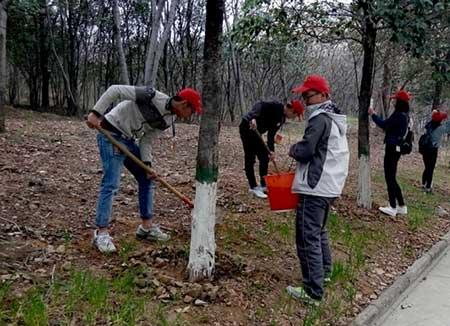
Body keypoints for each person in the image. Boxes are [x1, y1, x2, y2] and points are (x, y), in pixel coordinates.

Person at [86, 85, 202, 253]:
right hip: (110, 133)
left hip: (128, 140)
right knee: (111, 183)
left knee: (147, 179)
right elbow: (114, 90)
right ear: (184, 104)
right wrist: (96, 113)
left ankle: (146, 228)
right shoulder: (149, 95)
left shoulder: (169, 120)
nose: (191, 115)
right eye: (192, 111)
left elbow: (147, 140)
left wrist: (147, 166)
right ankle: (101, 233)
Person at [286, 75, 349, 305]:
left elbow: (306, 150)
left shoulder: (319, 119)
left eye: (308, 95)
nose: (305, 100)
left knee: (307, 236)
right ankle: (324, 272)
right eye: (303, 96)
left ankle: (313, 291)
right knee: (319, 231)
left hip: (315, 186)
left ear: (322, 95)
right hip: (330, 185)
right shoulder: (334, 118)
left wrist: (293, 149)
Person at [239, 99, 304, 198]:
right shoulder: (275, 106)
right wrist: (253, 117)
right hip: (247, 127)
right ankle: (253, 187)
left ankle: (263, 184)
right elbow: (259, 104)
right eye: (295, 115)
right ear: (292, 110)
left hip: (257, 133)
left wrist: (271, 151)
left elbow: (271, 135)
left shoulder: (282, 119)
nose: (293, 118)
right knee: (250, 157)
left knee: (265, 157)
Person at [368, 89, 410, 217]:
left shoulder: (398, 115)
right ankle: (401, 206)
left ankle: (392, 206)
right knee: (392, 177)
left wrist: (373, 114)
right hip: (396, 148)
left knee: (389, 177)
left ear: (400, 102)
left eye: (395, 100)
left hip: (392, 148)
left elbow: (384, 125)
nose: (394, 101)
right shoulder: (405, 115)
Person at [420, 109, 450, 193]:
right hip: (432, 150)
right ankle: (428, 187)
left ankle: (423, 184)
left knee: (427, 167)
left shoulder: (428, 125)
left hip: (425, 148)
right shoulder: (439, 128)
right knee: (430, 168)